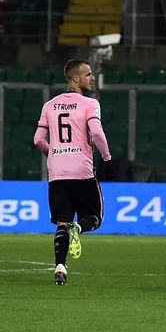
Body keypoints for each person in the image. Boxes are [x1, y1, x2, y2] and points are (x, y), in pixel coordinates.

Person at [32, 59, 112, 286]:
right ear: (75, 79)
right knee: (94, 218)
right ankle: (78, 228)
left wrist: (55, 154)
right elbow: (96, 133)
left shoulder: (49, 105)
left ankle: (60, 268)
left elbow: (38, 140)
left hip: (57, 172)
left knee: (61, 223)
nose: (92, 78)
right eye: (88, 74)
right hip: (82, 171)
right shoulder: (90, 104)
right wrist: (107, 158)